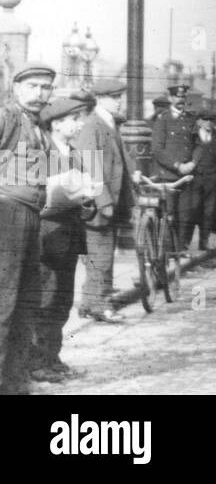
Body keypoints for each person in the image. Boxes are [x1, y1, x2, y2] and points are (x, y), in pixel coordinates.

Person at [29, 95, 97, 383]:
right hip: (47, 236)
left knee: (61, 301)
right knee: (45, 301)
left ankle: (52, 358)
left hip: (68, 237)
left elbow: (84, 194)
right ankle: (38, 363)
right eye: (75, 119)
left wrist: (87, 202)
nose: (80, 123)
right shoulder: (40, 153)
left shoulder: (74, 153)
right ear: (56, 123)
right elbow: (33, 198)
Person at [0, 63, 56, 394]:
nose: (39, 93)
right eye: (32, 86)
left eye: (45, 87)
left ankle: (14, 383)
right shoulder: (7, 117)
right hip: (7, 214)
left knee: (25, 302)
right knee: (4, 302)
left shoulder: (36, 125)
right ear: (17, 87)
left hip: (30, 216)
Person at [76, 80, 134, 324]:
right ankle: (101, 305)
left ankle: (90, 303)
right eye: (114, 97)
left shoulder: (108, 123)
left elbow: (122, 158)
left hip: (112, 200)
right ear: (100, 99)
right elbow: (92, 167)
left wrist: (136, 174)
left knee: (101, 253)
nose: (119, 100)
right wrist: (104, 201)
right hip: (100, 204)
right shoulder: (93, 125)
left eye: (120, 96)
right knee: (100, 256)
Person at [151, 87, 197, 252]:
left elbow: (198, 144)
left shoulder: (190, 119)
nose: (181, 100)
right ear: (170, 98)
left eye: (183, 96)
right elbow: (157, 149)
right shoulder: (162, 120)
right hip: (169, 176)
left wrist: (193, 162)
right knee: (169, 215)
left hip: (187, 176)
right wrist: (178, 166)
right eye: (177, 97)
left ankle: (181, 250)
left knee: (186, 214)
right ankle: (169, 252)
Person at [182, 111, 216, 252]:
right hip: (195, 179)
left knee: (208, 212)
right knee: (192, 210)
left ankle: (204, 243)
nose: (209, 122)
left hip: (211, 180)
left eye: (212, 119)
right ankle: (185, 242)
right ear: (199, 121)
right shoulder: (192, 137)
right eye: (206, 119)